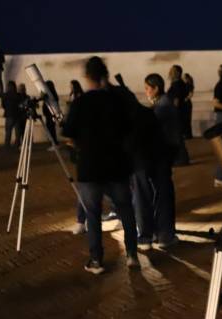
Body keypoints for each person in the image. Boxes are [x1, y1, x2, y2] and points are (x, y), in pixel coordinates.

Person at [61, 56, 139, 274]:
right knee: (126, 211)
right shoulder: (117, 101)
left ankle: (96, 260)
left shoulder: (80, 103)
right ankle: (132, 255)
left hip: (90, 167)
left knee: (93, 215)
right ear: (105, 75)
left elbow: (69, 136)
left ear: (87, 77)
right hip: (117, 165)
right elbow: (128, 130)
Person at [133, 73, 179, 250]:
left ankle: (156, 234)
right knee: (161, 194)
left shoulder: (163, 106)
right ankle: (163, 233)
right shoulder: (163, 104)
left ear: (156, 88)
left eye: (147, 88)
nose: (145, 92)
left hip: (159, 155)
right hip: (161, 155)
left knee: (158, 195)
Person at [166, 65, 190, 166]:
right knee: (178, 137)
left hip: (177, 114)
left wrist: (172, 112)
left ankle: (182, 159)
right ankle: (182, 158)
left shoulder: (177, 85)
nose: (170, 73)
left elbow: (176, 100)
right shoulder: (179, 84)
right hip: (180, 114)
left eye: (172, 71)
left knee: (177, 137)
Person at [1, 81, 23, 149]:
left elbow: (3, 105)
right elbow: (21, 104)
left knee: (8, 131)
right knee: (17, 131)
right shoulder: (18, 95)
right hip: (17, 114)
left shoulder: (5, 95)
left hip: (9, 114)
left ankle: (7, 145)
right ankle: (17, 144)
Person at [43, 80, 59, 145]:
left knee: (51, 129)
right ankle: (53, 142)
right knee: (51, 129)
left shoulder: (51, 95)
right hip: (49, 115)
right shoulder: (52, 94)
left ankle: (54, 143)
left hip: (50, 115)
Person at [182, 73, 195, 139]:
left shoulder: (188, 85)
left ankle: (188, 135)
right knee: (186, 119)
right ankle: (187, 134)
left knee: (187, 119)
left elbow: (191, 94)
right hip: (186, 103)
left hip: (186, 103)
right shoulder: (185, 85)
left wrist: (185, 99)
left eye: (183, 77)